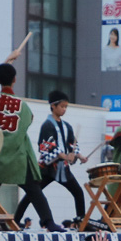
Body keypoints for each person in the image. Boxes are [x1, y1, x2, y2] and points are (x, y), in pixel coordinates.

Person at [0, 52, 59, 229]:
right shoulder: (22, 106)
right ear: (15, 80)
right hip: (17, 158)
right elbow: (28, 121)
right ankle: (48, 222)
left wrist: (7, 60)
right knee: (34, 190)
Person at [35, 91, 88, 228]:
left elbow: (72, 144)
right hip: (47, 169)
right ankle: (16, 220)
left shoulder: (67, 126)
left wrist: (79, 155)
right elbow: (46, 146)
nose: (64, 109)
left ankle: (81, 221)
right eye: (62, 106)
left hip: (62, 169)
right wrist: (64, 155)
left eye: (66, 107)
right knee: (32, 194)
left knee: (78, 192)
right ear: (53, 106)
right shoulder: (47, 125)